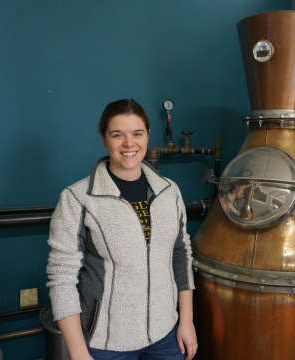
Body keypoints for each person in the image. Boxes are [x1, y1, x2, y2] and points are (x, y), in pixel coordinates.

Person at [46, 98, 197, 360]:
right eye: (118, 135)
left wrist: (186, 320)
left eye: (137, 134)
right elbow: (62, 279)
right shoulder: (78, 198)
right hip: (106, 344)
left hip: (166, 334)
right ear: (104, 139)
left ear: (148, 135)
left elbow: (180, 255)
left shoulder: (169, 191)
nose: (129, 144)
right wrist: (78, 352)